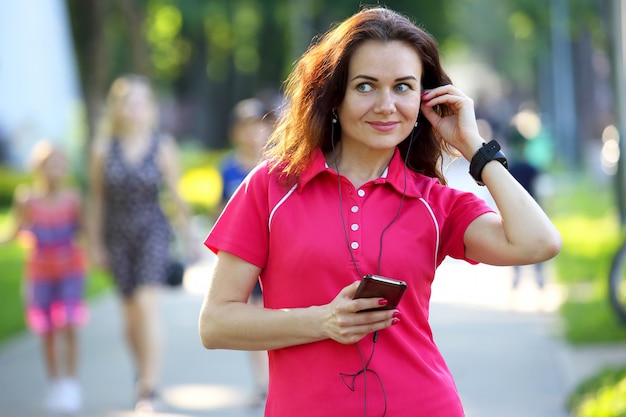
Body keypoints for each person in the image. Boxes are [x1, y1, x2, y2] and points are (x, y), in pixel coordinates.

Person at [198, 7, 561, 417]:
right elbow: (215, 323)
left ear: (424, 99)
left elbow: (538, 242)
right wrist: (321, 321)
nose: (386, 105)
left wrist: (475, 147)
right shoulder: (272, 187)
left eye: (403, 87)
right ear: (335, 95)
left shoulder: (434, 202)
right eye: (366, 86)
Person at [88, 74, 192, 412]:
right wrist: (95, 245)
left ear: (150, 108)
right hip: (118, 237)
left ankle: (148, 387)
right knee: (130, 318)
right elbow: (97, 201)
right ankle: (141, 371)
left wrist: (189, 238)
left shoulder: (162, 146)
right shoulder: (103, 149)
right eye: (129, 101)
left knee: (148, 307)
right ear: (118, 107)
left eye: (142, 101)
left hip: (152, 232)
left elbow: (176, 196)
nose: (136, 108)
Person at [0, 141, 88, 415]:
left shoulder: (73, 199)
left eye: (61, 163)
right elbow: (14, 232)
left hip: (69, 271)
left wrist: (98, 252)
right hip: (40, 273)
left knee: (70, 324)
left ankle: (72, 384)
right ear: (39, 167)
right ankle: (56, 384)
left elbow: (85, 232)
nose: (56, 169)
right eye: (51, 163)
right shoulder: (27, 199)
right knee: (47, 330)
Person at [217, 97, 274, 405]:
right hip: (245, 258)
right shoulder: (227, 169)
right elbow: (220, 211)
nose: (254, 133)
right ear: (235, 132)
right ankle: (262, 383)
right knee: (252, 318)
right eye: (247, 126)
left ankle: (277, 379)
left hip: (275, 254)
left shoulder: (278, 167)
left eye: (259, 125)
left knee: (275, 314)